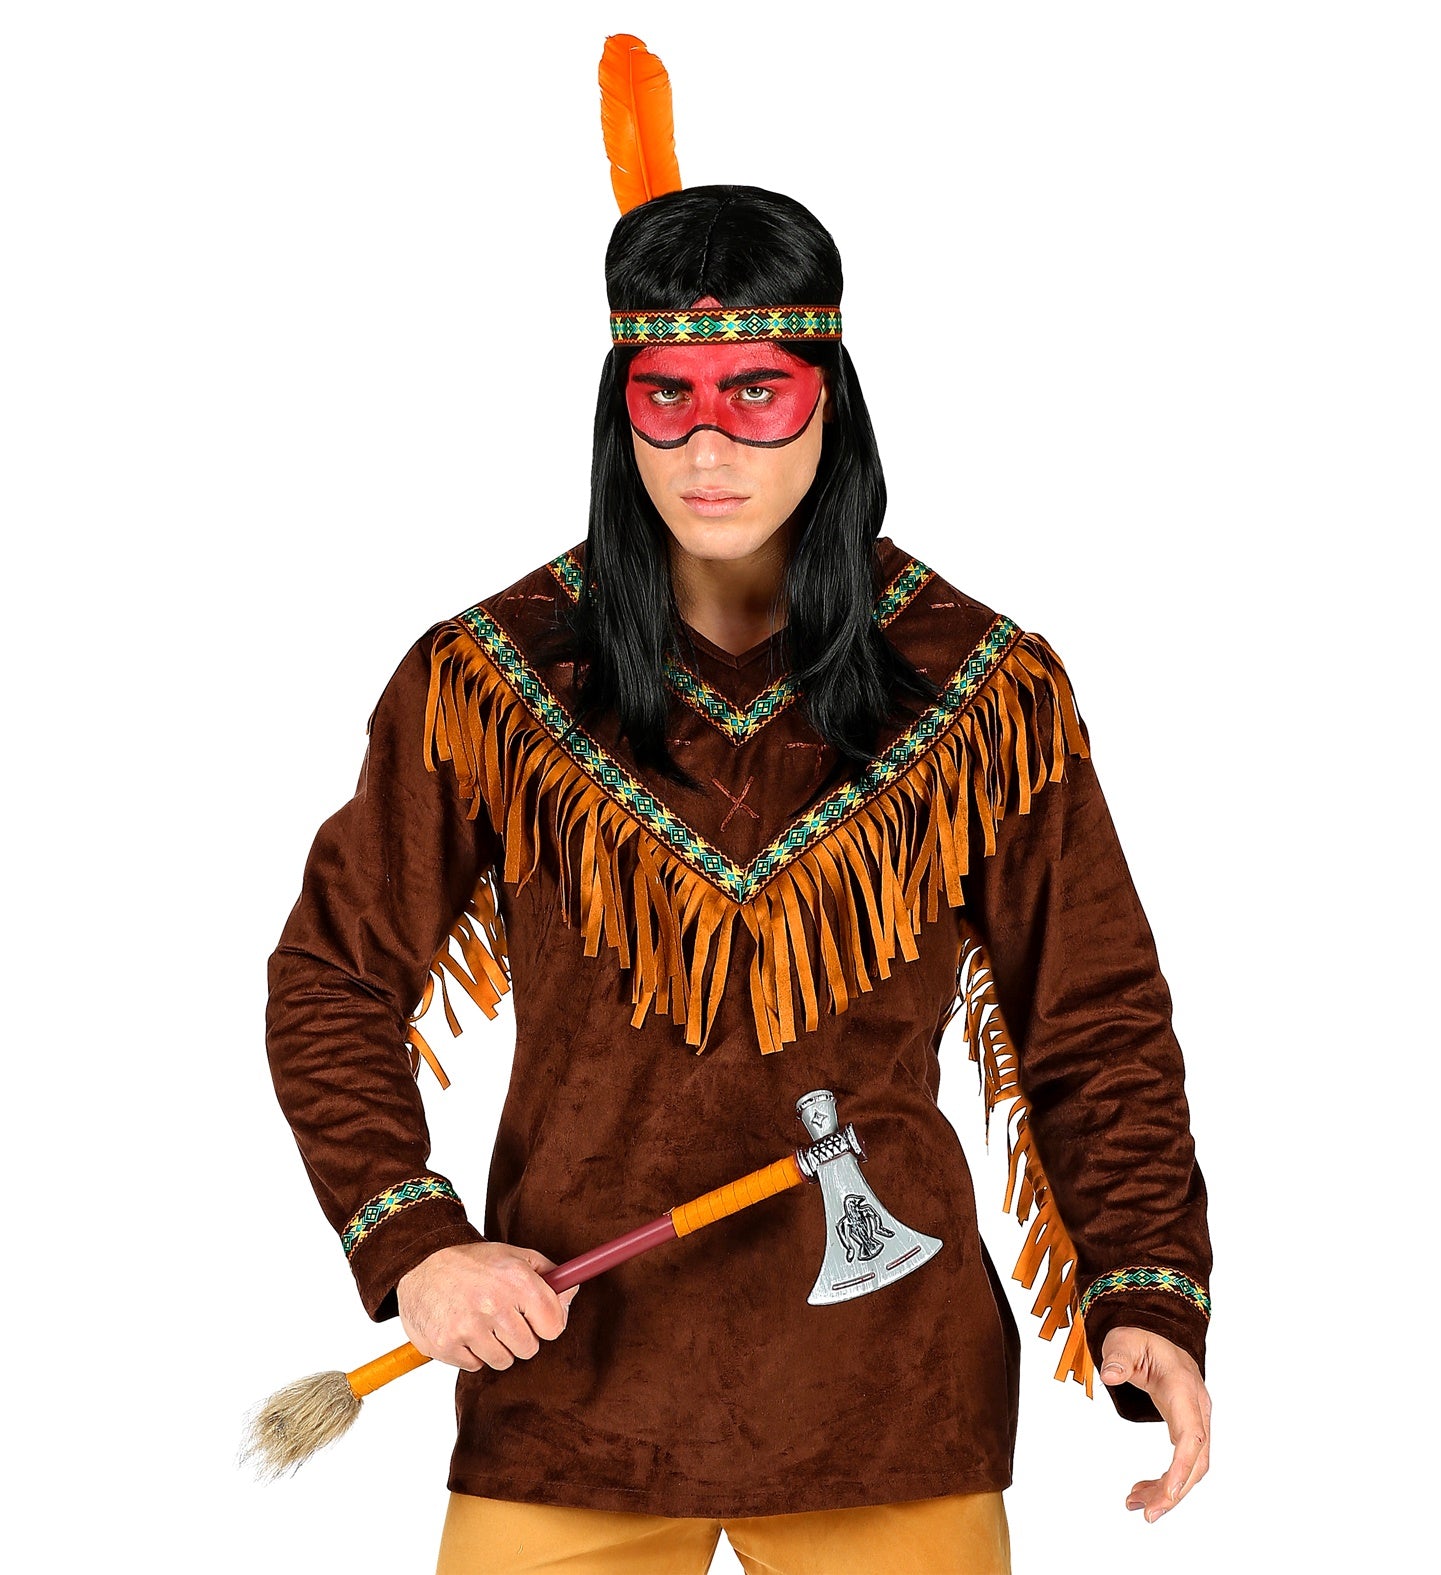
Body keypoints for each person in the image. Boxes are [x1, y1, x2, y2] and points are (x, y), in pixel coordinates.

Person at [264, 183, 1213, 1575]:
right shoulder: (490, 678)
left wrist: (1146, 1290)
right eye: (668, 398)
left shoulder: (978, 684)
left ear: (831, 401)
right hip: (568, 1377)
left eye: (756, 394)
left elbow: (1093, 1015)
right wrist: (415, 1244)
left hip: (884, 1391)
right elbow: (332, 980)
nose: (708, 448)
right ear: (621, 410)